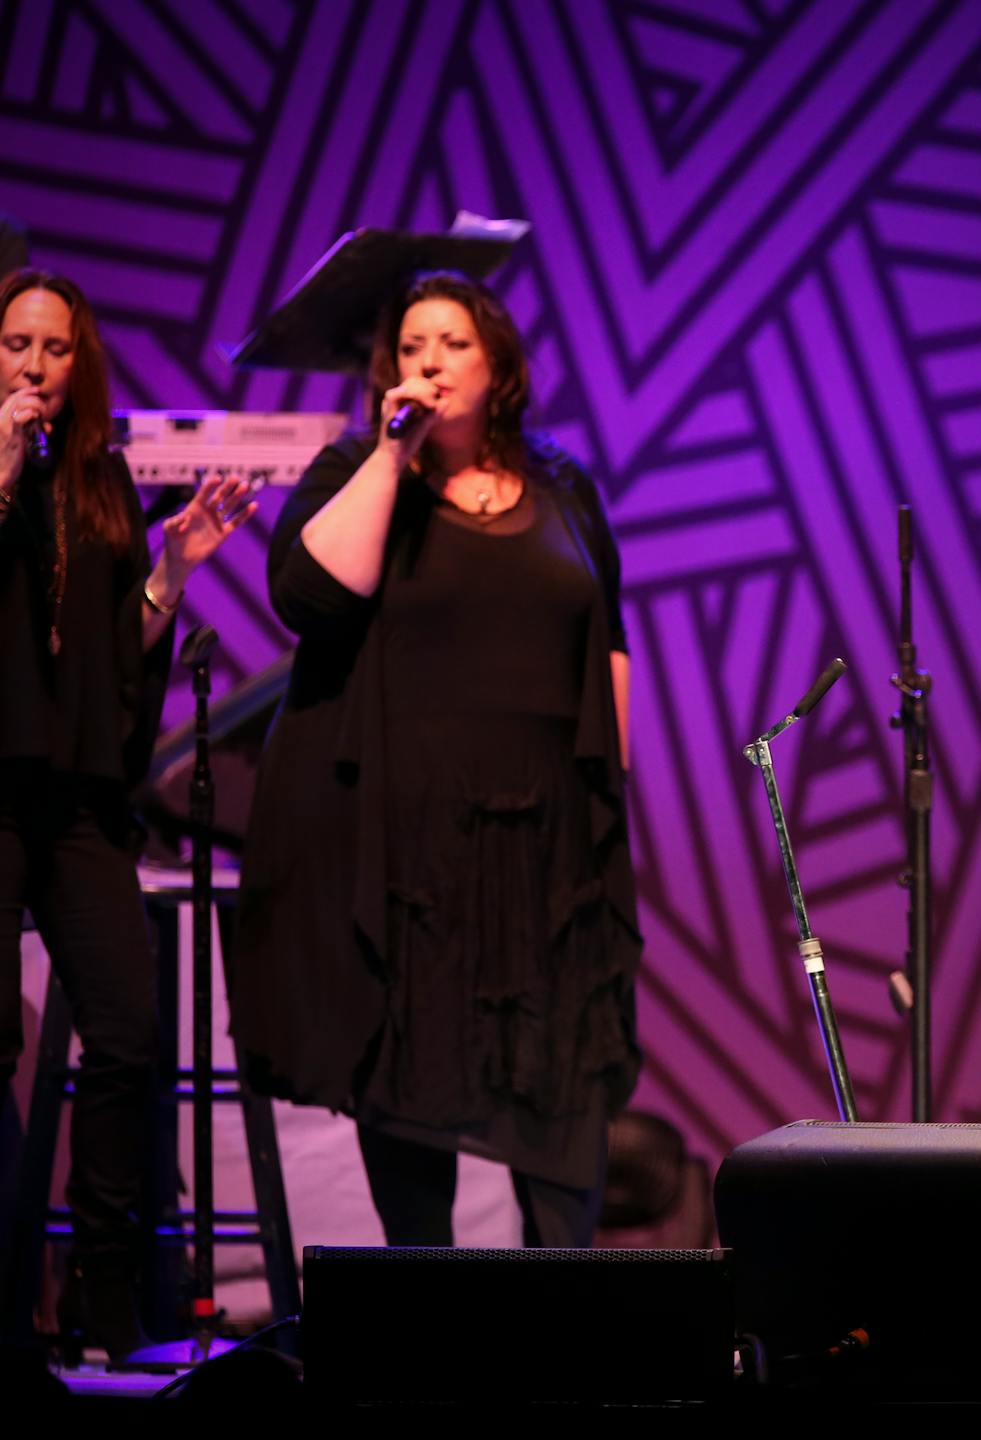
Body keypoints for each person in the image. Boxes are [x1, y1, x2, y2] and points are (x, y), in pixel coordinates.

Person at [231, 271, 641, 1248]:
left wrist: (609, 807)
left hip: (543, 849)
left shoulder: (563, 483)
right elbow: (316, 595)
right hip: (412, 842)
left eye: (452, 342)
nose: (429, 360)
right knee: (416, 1083)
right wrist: (391, 451)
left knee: (562, 1092)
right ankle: (433, 1345)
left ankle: (571, 1364)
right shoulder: (357, 471)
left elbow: (609, 642)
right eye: (412, 346)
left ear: (495, 362)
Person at [0, 269, 254, 1359]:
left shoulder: (102, 478)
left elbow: (119, 648)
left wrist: (175, 570)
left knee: (127, 1032)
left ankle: (103, 1288)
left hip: (78, 798)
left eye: (56, 348)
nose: (36, 366)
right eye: (16, 344)